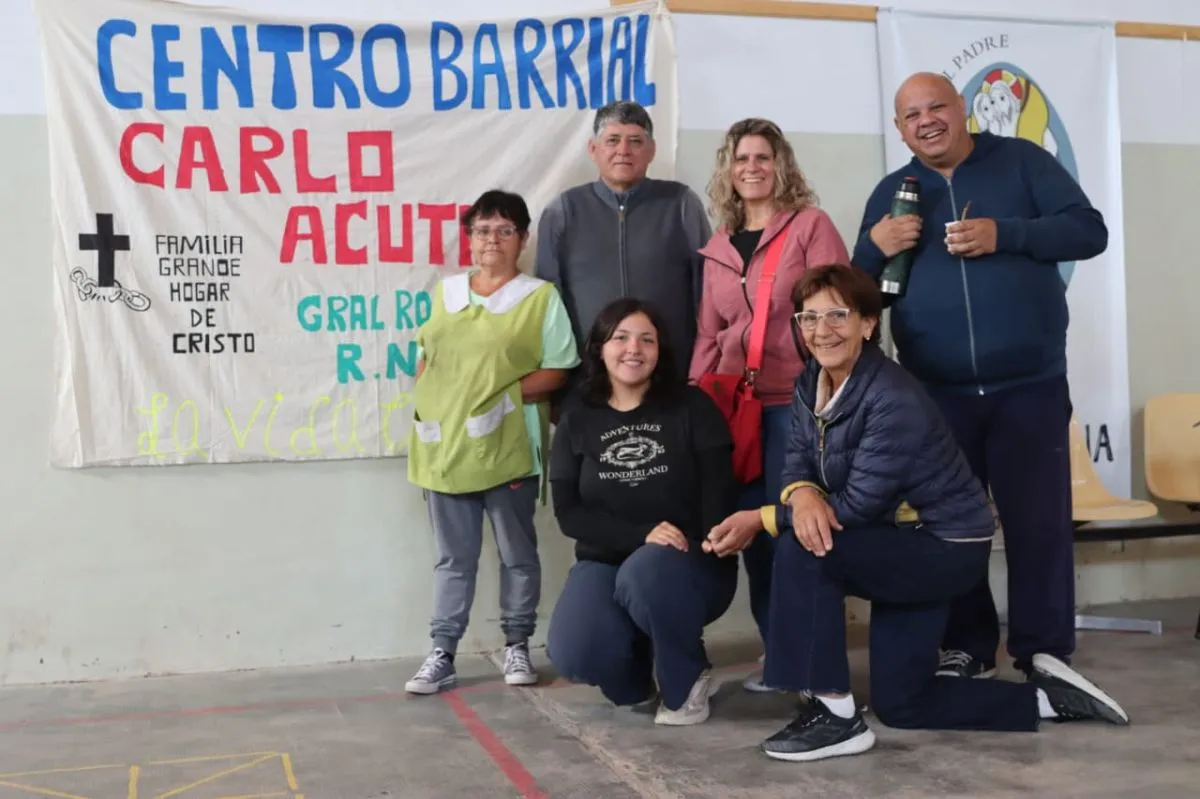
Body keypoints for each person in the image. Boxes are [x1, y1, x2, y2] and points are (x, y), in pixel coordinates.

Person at [703, 265, 1128, 763]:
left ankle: (834, 716)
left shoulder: (891, 395)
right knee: (904, 703)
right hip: (900, 543)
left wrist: (763, 518)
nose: (822, 331)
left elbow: (860, 505)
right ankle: (1049, 700)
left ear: (867, 323)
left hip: (942, 549)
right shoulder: (810, 381)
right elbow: (796, 459)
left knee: (804, 544)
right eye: (809, 318)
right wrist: (801, 495)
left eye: (837, 315)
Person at [851, 72, 1109, 681]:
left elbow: (1088, 230)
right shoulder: (893, 191)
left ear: (961, 108)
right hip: (938, 396)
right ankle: (967, 646)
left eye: (936, 106)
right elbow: (860, 302)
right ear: (899, 128)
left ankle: (1045, 654)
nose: (926, 121)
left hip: (1030, 386)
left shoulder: (1021, 162)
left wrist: (1006, 234)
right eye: (911, 115)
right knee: (953, 530)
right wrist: (871, 247)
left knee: (1039, 526)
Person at [688, 117, 850, 691]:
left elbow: (838, 306)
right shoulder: (716, 250)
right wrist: (695, 405)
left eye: (762, 158)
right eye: (741, 159)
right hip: (737, 408)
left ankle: (815, 666)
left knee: (796, 530)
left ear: (780, 166)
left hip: (796, 404)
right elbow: (709, 335)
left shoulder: (810, 226)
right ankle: (781, 658)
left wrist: (832, 391)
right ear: (727, 172)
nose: (751, 168)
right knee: (754, 532)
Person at [404, 189, 579, 695]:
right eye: (483, 229)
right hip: (444, 447)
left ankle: (517, 644)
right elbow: (426, 356)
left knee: (516, 553)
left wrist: (498, 398)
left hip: (508, 448)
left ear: (522, 239)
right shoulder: (446, 294)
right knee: (452, 557)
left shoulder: (538, 298)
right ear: (470, 238)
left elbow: (559, 368)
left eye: (505, 230)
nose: (492, 239)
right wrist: (437, 402)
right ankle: (442, 652)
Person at [544, 298, 739, 726]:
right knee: (573, 649)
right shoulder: (577, 418)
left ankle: (687, 680)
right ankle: (635, 681)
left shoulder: (692, 407)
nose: (634, 349)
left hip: (687, 563)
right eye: (621, 337)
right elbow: (569, 514)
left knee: (646, 572)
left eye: (647, 340)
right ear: (600, 348)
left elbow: (719, 491)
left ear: (660, 351)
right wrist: (641, 533)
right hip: (606, 562)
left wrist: (703, 547)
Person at [535, 101, 711, 412]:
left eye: (635, 141)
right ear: (593, 148)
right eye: (613, 140)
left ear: (652, 150)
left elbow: (708, 298)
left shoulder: (681, 204)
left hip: (669, 383)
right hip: (586, 387)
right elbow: (548, 307)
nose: (623, 150)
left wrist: (700, 372)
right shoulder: (563, 211)